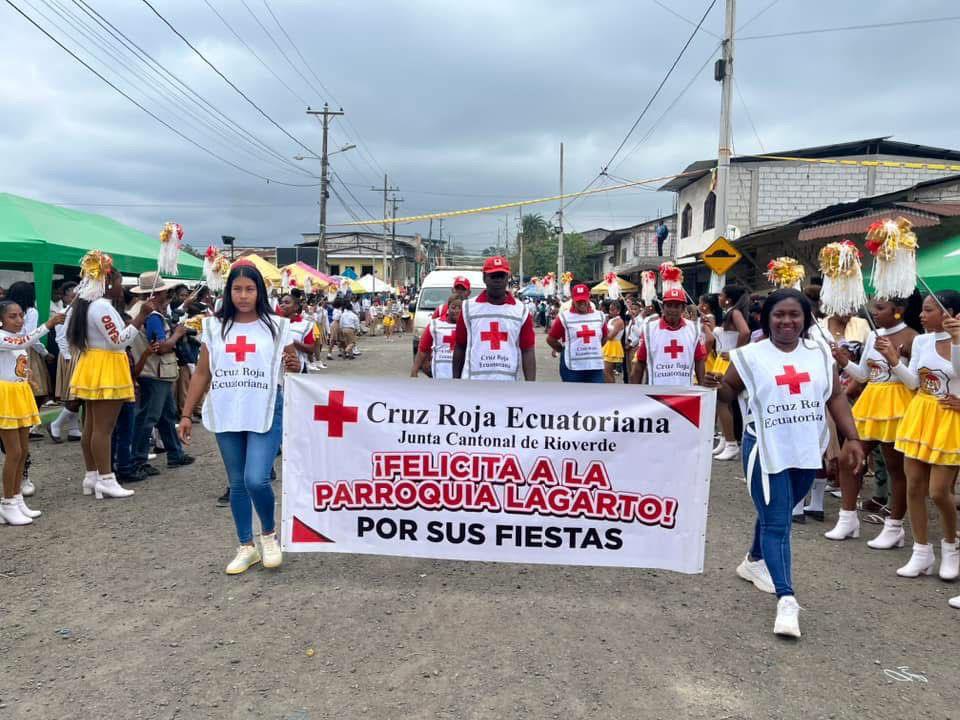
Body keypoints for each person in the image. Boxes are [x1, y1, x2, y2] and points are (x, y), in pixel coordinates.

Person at [705, 289, 865, 638]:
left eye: (794, 314)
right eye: (779, 314)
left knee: (777, 509)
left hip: (806, 448)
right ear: (767, 319)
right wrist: (713, 386)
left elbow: (835, 396)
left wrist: (852, 438)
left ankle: (753, 561)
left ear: (806, 318)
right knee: (779, 522)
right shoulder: (750, 356)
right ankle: (787, 599)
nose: (787, 321)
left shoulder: (819, 354)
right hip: (765, 448)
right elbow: (729, 392)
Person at [179, 262, 299, 574]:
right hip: (227, 407)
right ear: (228, 291)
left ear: (260, 292)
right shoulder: (214, 327)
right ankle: (246, 546)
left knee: (256, 478)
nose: (243, 296)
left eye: (249, 289)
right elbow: (202, 373)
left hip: (265, 407)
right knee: (237, 482)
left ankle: (269, 536)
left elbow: (293, 364)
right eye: (237, 289)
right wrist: (186, 414)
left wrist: (295, 364)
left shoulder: (277, 326)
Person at [876, 291, 960, 589]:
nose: (921, 315)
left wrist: (957, 340)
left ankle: (951, 548)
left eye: (929, 310)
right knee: (914, 486)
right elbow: (913, 382)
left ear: (951, 313)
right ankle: (921, 552)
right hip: (920, 415)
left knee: (939, 492)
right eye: (922, 310)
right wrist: (893, 359)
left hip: (950, 420)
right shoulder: (922, 341)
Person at [826, 297, 917, 546]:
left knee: (895, 467)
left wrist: (893, 358)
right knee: (848, 458)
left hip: (898, 404)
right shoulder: (874, 336)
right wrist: (844, 362)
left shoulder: (912, 337)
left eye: (880, 308)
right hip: (870, 402)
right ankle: (847, 518)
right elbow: (864, 375)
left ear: (898, 310)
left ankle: (894, 526)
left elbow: (913, 382)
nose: (873, 312)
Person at [67, 253, 155, 499]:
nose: (120, 287)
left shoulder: (88, 305)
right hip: (106, 366)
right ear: (106, 283)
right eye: (118, 282)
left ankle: (92, 475)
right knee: (103, 429)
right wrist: (141, 317)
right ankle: (106, 478)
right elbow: (118, 341)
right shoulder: (101, 307)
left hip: (95, 364)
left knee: (92, 426)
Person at [0, 300, 63, 524]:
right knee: (14, 452)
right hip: (5, 397)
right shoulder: (2, 337)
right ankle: (7, 503)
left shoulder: (15, 338)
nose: (19, 320)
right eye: (12, 316)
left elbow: (18, 360)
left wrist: (28, 377)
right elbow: (24, 341)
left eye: (20, 315)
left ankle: (17, 499)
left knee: (23, 451)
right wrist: (49, 324)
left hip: (20, 393)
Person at [128, 273, 195, 477]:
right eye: (165, 291)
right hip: (155, 371)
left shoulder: (139, 311)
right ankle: (138, 460)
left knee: (166, 415)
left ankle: (175, 453)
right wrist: (177, 334)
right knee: (148, 418)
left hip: (153, 371)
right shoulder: (153, 316)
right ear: (157, 293)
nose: (168, 295)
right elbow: (161, 347)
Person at [453, 256, 535, 381]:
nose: (498, 280)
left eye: (501, 276)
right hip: (474, 383)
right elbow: (460, 346)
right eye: (493, 276)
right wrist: (455, 381)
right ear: (484, 278)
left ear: (508, 278)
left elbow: (527, 350)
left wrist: (531, 385)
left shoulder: (521, 310)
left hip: (509, 384)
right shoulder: (468, 308)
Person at [630, 288, 706, 386]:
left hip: (685, 390)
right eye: (669, 305)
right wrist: (635, 390)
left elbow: (699, 360)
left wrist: (703, 387)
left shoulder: (693, 329)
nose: (672, 310)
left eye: (677, 306)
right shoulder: (650, 329)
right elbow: (640, 362)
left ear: (683, 308)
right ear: (663, 307)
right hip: (657, 390)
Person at [710, 284, 751, 461]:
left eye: (721, 295)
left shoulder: (735, 313)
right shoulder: (730, 313)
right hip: (722, 360)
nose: (718, 298)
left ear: (728, 299)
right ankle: (725, 439)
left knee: (723, 401)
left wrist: (736, 354)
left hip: (729, 360)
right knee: (721, 401)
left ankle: (731, 443)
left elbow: (745, 332)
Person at [7, 282, 51, 434]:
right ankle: (30, 425)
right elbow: (31, 336)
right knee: (36, 389)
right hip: (26, 351)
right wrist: (44, 353)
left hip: (10, 347)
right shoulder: (31, 311)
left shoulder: (6, 310)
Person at [546, 283, 605, 383]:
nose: (581, 303)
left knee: (597, 392)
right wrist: (563, 350)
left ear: (589, 297)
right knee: (572, 392)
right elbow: (551, 339)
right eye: (578, 300)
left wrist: (594, 348)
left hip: (595, 366)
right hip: (572, 367)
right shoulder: (564, 317)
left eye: (584, 299)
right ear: (572, 299)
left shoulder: (599, 316)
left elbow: (605, 337)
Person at [48, 281, 82, 444]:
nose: (75, 298)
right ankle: (56, 424)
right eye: (72, 295)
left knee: (75, 394)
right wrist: (68, 357)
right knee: (77, 394)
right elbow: (60, 337)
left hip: (77, 353)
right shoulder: (65, 313)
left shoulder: (78, 312)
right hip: (71, 354)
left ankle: (74, 429)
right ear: (66, 297)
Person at [412, 295, 463, 379]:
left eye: (460, 308)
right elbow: (423, 349)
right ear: (448, 308)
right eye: (453, 307)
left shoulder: (468, 325)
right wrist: (414, 370)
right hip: (440, 372)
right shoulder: (435, 324)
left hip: (462, 373)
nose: (456, 311)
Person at [278, 292, 316, 372]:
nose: (282, 305)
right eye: (281, 303)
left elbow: (311, 349)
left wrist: (289, 340)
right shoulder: (274, 323)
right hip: (276, 370)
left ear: (296, 307)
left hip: (296, 369)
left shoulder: (305, 325)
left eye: (287, 303)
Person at [601, 300, 625, 383]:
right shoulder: (611, 320)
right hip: (608, 344)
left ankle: (611, 387)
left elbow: (611, 336)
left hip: (613, 345)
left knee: (607, 371)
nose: (610, 311)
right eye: (610, 309)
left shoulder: (619, 321)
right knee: (607, 372)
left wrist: (605, 332)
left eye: (612, 309)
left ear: (618, 311)